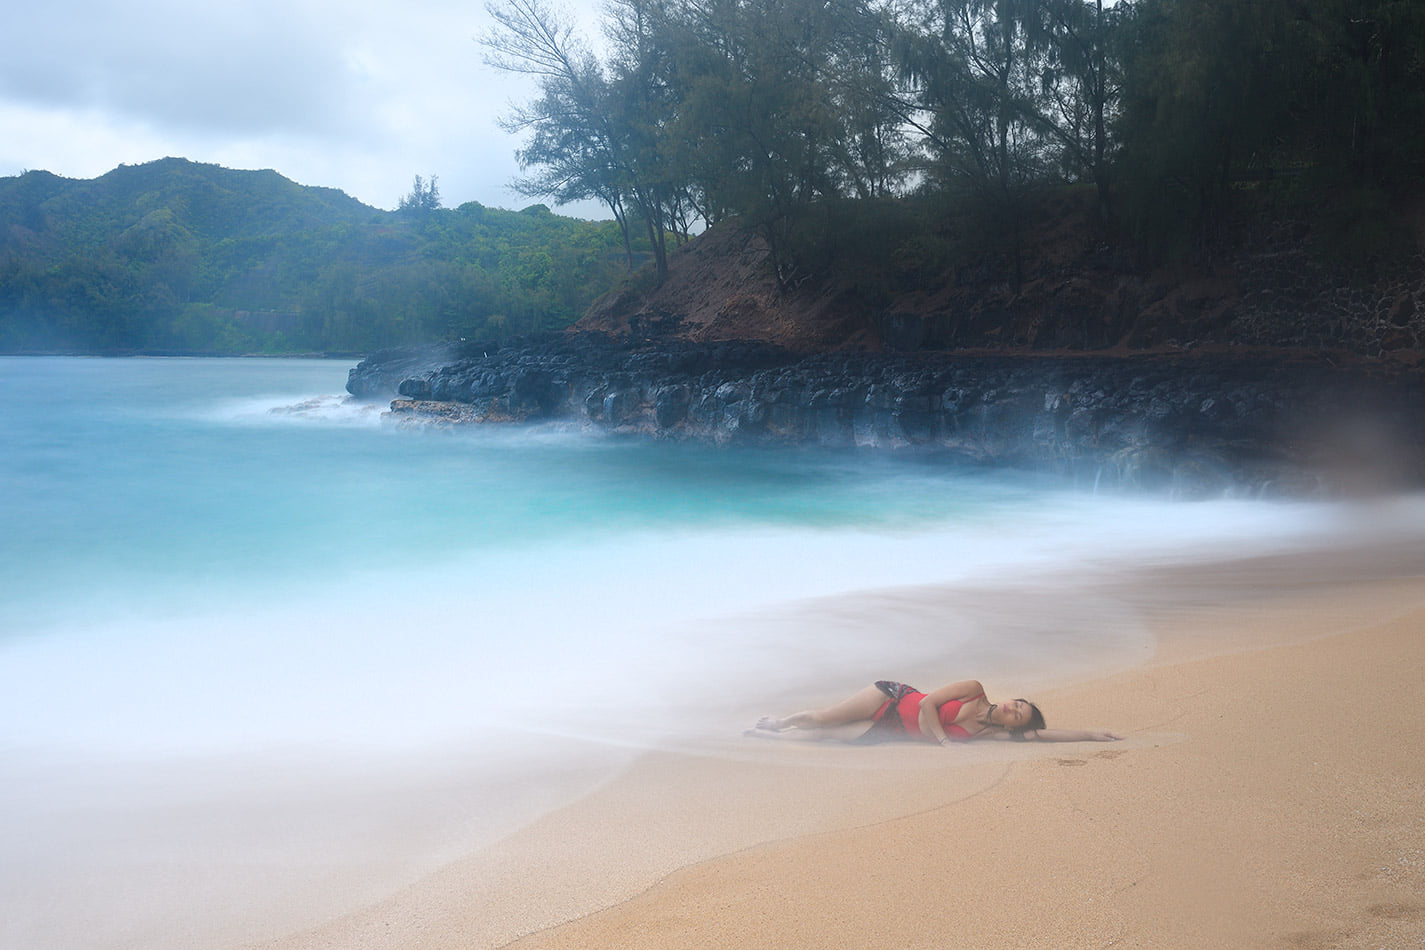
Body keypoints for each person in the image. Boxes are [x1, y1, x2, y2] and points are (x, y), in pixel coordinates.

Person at [747, 679, 1122, 744]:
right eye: (1018, 703)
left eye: (1018, 715)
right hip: (891, 699)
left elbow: (1041, 736)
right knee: (825, 718)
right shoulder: (975, 691)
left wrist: (1091, 735)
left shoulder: (988, 733)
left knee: (828, 738)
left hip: (893, 730)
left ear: (1013, 726)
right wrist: (942, 740)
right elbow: (928, 704)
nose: (1013, 708)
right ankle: (779, 723)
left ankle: (774, 736)